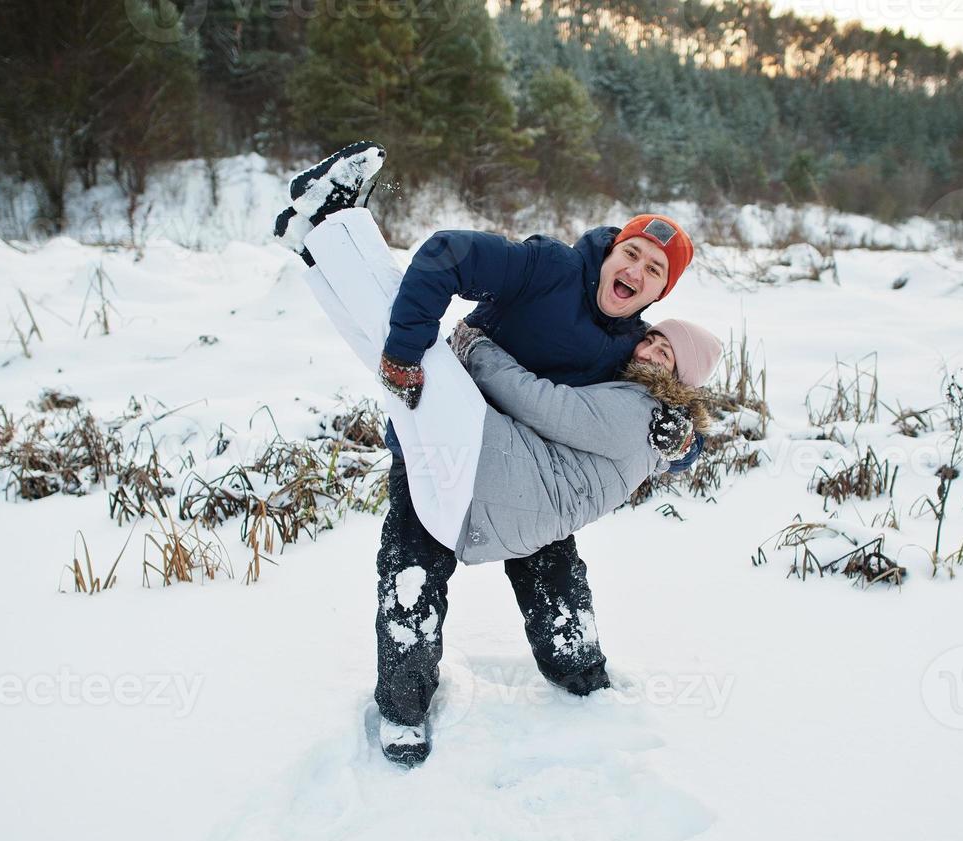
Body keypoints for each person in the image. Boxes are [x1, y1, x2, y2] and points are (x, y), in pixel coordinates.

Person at [275, 143, 720, 766]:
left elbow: (641, 416)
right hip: (441, 429)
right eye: (633, 254)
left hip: (524, 467)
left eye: (654, 271)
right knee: (415, 563)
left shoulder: (628, 348)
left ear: (659, 291)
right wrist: (406, 349)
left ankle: (580, 681)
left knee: (551, 563)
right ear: (614, 251)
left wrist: (684, 447)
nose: (637, 271)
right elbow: (445, 256)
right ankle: (404, 711)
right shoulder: (548, 268)